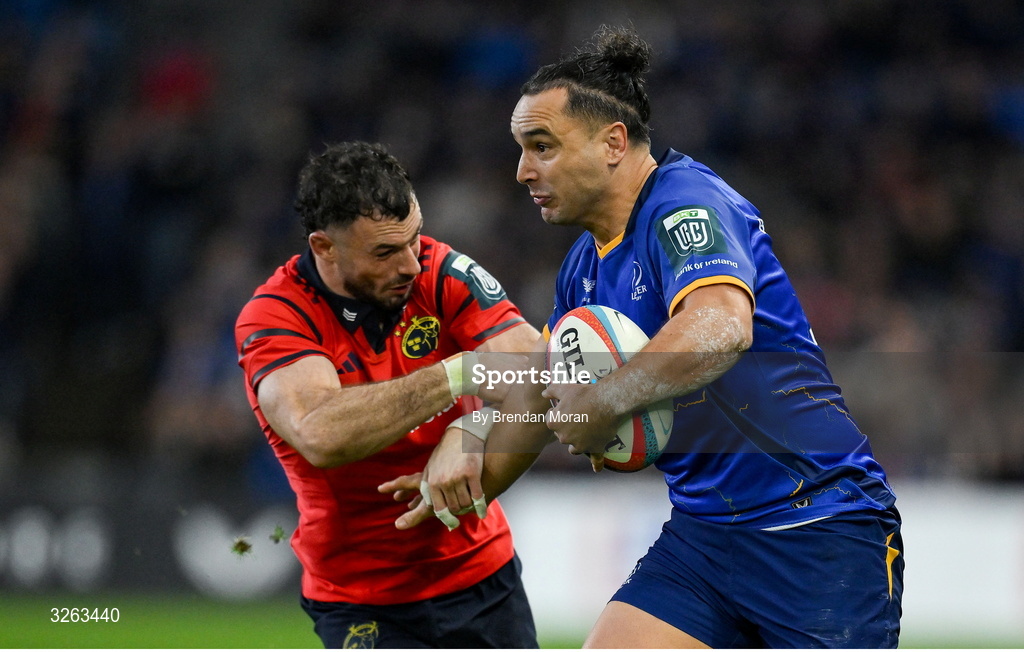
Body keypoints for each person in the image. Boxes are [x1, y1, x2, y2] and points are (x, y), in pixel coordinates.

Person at [392, 25, 904, 649]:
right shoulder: (581, 269)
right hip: (704, 539)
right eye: (522, 149)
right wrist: (462, 454)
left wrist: (605, 401)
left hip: (818, 524)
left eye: (542, 146)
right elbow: (538, 391)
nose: (523, 171)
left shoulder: (685, 204)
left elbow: (719, 326)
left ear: (613, 142)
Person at [235, 141, 541, 649]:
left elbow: (548, 371)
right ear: (324, 247)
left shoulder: (441, 270)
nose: (410, 266)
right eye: (384, 252)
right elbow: (321, 432)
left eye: (413, 239)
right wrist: (458, 375)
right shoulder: (275, 316)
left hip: (483, 577)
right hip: (359, 598)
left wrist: (473, 428)